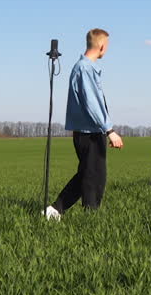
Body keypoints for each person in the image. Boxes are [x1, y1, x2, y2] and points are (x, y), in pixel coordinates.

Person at [45, 28, 123, 219]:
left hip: (88, 131)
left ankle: (56, 210)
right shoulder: (85, 68)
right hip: (89, 133)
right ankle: (88, 214)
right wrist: (109, 130)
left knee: (88, 174)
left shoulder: (85, 68)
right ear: (102, 46)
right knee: (93, 176)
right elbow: (92, 103)